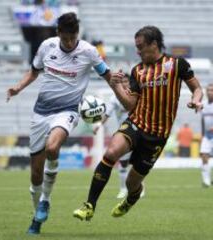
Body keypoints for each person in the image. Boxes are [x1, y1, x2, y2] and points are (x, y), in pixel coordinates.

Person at [73, 25, 203, 221]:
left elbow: (197, 88)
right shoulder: (138, 71)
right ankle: (89, 205)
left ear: (154, 44)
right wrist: (116, 86)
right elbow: (129, 105)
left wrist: (196, 99)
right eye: (136, 47)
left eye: (141, 46)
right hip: (136, 123)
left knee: (132, 183)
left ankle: (130, 199)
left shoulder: (177, 64)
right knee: (110, 153)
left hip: (158, 135)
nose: (138, 51)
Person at [6, 12, 114, 234]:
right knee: (35, 174)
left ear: (77, 34)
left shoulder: (88, 51)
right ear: (58, 33)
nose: (69, 43)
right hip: (41, 112)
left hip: (67, 111)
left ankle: (46, 199)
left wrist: (122, 87)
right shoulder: (47, 46)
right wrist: (18, 87)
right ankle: (37, 216)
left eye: (73, 38)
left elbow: (108, 75)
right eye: (65, 38)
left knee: (53, 147)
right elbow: (33, 72)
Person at [93, 73, 145, 199]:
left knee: (139, 164)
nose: (124, 84)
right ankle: (123, 189)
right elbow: (108, 113)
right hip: (125, 134)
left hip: (140, 132)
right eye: (122, 82)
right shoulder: (114, 98)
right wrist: (99, 124)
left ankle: (140, 187)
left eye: (127, 81)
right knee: (123, 164)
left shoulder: (137, 95)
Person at [200, 83, 213, 187]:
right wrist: (202, 134)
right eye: (208, 90)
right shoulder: (203, 105)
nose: (209, 92)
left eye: (212, 90)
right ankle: (206, 180)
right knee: (204, 155)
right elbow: (203, 121)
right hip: (207, 136)